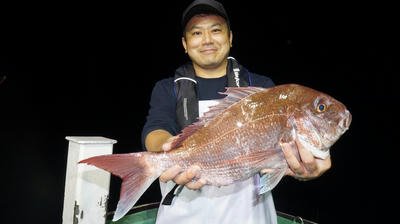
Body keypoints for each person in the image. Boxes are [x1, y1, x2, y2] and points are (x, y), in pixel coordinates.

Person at [141, 0, 331, 223]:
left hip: (250, 215)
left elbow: (287, 147)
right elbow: (155, 129)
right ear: (185, 43)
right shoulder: (167, 88)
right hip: (184, 215)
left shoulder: (262, 87)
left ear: (230, 38)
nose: (207, 40)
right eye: (196, 33)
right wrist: (169, 150)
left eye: (215, 30)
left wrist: (310, 162)